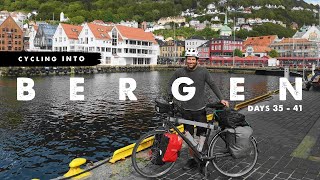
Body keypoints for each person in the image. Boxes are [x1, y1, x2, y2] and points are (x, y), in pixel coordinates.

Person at [167, 48, 229, 170]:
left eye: (192, 59)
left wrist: (222, 98)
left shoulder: (203, 72)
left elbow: (212, 84)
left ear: (197, 60)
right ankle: (192, 160)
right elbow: (170, 84)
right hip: (186, 110)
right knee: (189, 137)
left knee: (202, 135)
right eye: (188, 59)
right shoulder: (179, 72)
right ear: (185, 60)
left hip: (200, 110)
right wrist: (169, 98)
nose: (190, 61)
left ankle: (202, 158)